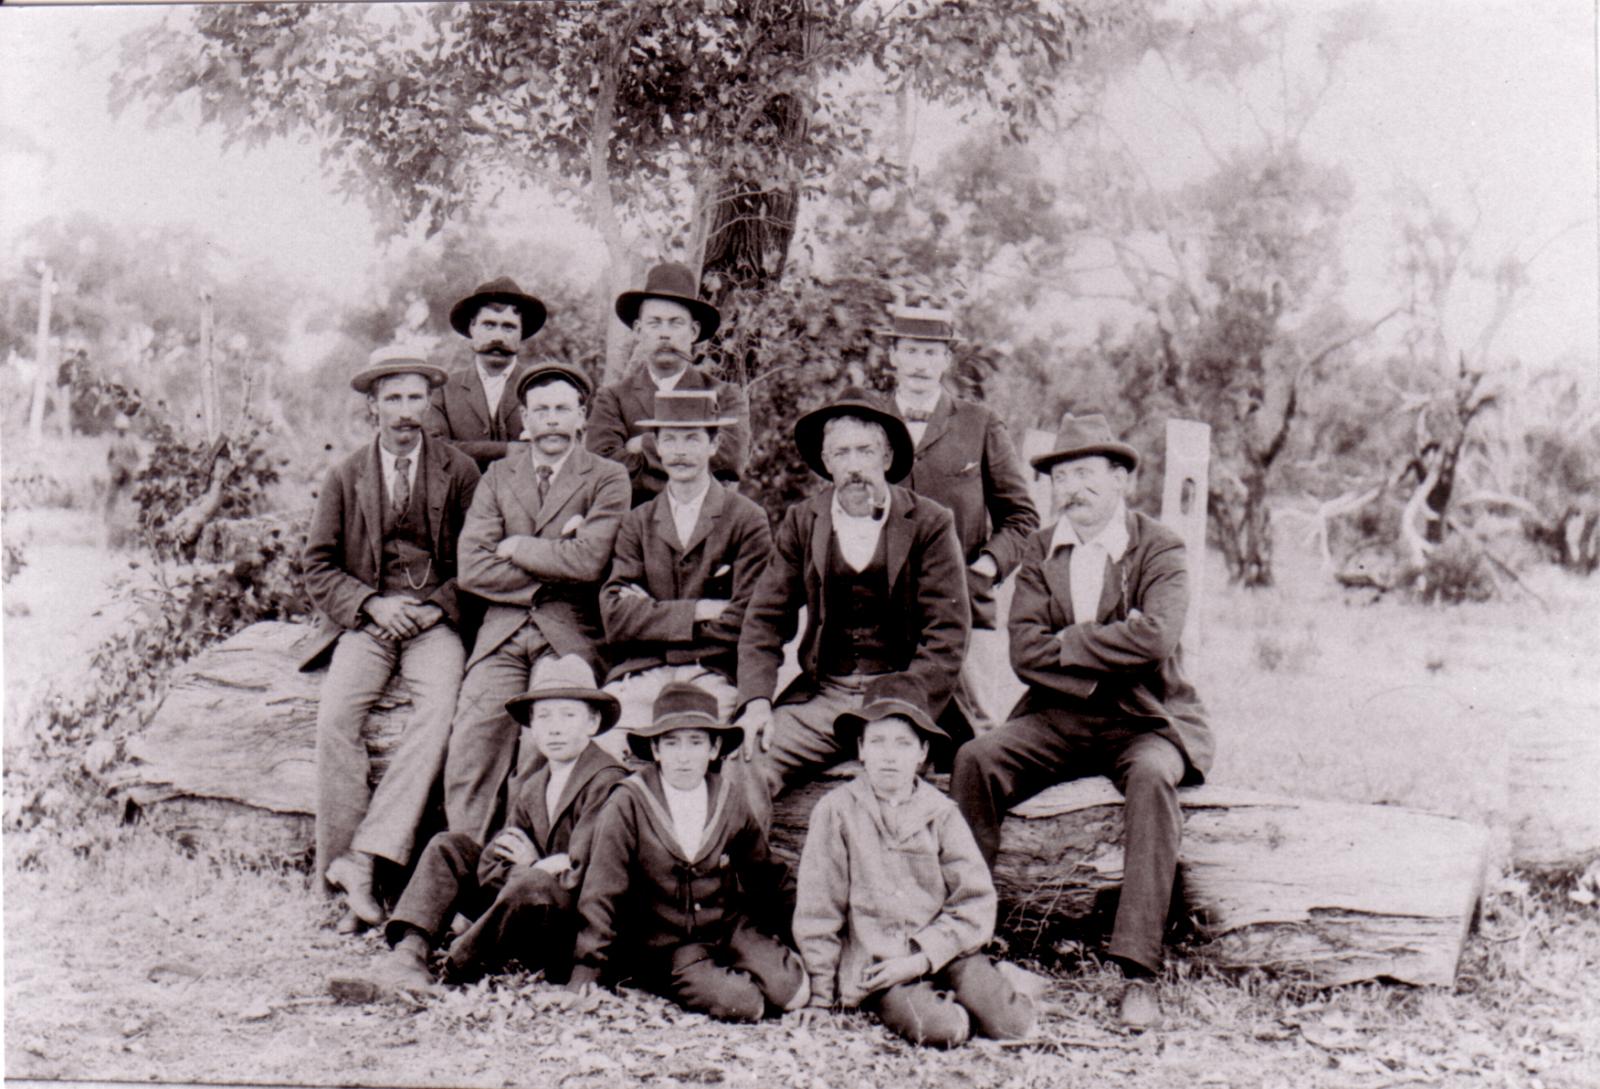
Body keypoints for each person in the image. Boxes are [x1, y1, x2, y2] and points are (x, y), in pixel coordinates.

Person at [950, 413, 1215, 1031]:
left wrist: (1068, 643)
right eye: (1061, 476)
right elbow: (1024, 652)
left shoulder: (1160, 546)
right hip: (1059, 718)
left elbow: (1155, 639)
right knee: (976, 760)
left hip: (1147, 717)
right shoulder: (1042, 550)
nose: (1072, 488)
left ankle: (1137, 972)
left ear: (1120, 478)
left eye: (1086, 473)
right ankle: (964, 942)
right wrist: (1100, 653)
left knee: (1152, 780)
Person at [299, 345, 481, 928]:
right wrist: (371, 604)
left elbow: (476, 564)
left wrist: (435, 609)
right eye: (393, 399)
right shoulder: (346, 475)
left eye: (416, 398)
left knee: (437, 714)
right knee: (335, 720)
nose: (406, 411)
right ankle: (339, 876)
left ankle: (366, 860)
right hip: (370, 620)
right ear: (373, 406)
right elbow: (319, 565)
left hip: (433, 623)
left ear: (431, 404)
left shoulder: (460, 471)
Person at [733, 388, 969, 813]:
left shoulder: (930, 523)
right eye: (842, 453)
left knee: (893, 793)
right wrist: (755, 702)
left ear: (887, 456)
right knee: (746, 761)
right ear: (826, 463)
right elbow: (765, 618)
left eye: (866, 451)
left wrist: (904, 713)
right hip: (825, 697)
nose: (855, 466)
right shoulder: (803, 521)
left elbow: (947, 635)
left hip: (903, 698)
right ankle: (759, 879)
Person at [359, 655, 627, 991]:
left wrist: (531, 867)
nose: (554, 727)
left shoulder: (608, 781)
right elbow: (491, 863)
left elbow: (585, 876)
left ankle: (454, 966)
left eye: (568, 715)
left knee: (533, 883)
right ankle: (409, 953)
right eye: (543, 716)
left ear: (592, 723)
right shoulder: (536, 784)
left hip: (571, 930)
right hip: (525, 907)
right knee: (449, 846)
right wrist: (534, 869)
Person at [444, 362, 631, 844]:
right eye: (540, 411)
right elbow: (472, 568)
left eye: (562, 410)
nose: (551, 420)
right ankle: (466, 871)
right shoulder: (499, 476)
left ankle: (519, 871)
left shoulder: (608, 477)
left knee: (544, 746)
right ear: (523, 419)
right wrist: (553, 566)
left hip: (567, 631)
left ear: (580, 417)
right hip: (503, 629)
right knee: (472, 740)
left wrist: (518, 546)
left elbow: (590, 561)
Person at [792, 681, 1037, 1047]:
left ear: (922, 752)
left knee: (1015, 1026)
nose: (889, 756)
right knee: (945, 1030)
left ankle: (988, 986)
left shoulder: (941, 813)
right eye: (878, 742)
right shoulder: (836, 811)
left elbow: (975, 901)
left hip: (942, 952)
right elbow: (818, 909)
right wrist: (822, 996)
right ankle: (952, 1005)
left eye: (903, 743)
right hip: (881, 964)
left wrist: (924, 957)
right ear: (861, 749)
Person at [567, 682, 808, 1022]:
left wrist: (805, 937)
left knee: (793, 992)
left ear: (714, 748)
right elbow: (602, 890)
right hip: (667, 944)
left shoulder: (727, 795)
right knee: (744, 1005)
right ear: (656, 749)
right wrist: (587, 968)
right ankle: (695, 981)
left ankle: (734, 969)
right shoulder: (629, 801)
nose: (683, 756)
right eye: (671, 742)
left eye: (696, 742)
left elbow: (765, 873)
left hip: (725, 926)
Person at [877, 303, 1038, 731]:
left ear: (947, 360)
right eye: (911, 350)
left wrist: (984, 568)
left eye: (931, 352)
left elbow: (1021, 516)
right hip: (880, 614)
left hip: (964, 609)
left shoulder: (979, 423)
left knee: (979, 733)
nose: (919, 364)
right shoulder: (865, 421)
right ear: (892, 354)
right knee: (884, 732)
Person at [597, 389, 772, 755]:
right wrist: (698, 610)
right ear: (656, 446)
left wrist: (653, 615)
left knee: (699, 759)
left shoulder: (746, 519)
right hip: (640, 674)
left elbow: (747, 617)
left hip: (710, 675)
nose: (680, 451)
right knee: (602, 758)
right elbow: (616, 616)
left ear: (714, 444)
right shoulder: (637, 521)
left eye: (692, 438)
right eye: (670, 439)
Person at [586, 262, 750, 506]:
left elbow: (729, 460)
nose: (665, 334)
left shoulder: (725, 395)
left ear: (694, 332)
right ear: (639, 330)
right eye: (655, 323)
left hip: (704, 528)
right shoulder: (613, 398)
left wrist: (643, 444)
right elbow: (602, 468)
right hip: (632, 530)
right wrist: (692, 463)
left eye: (675, 323)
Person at [428, 277, 547, 471]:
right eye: (489, 325)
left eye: (508, 327)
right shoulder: (444, 389)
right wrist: (505, 450)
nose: (498, 337)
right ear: (472, 327)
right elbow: (433, 448)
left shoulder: (541, 385)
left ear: (521, 332)